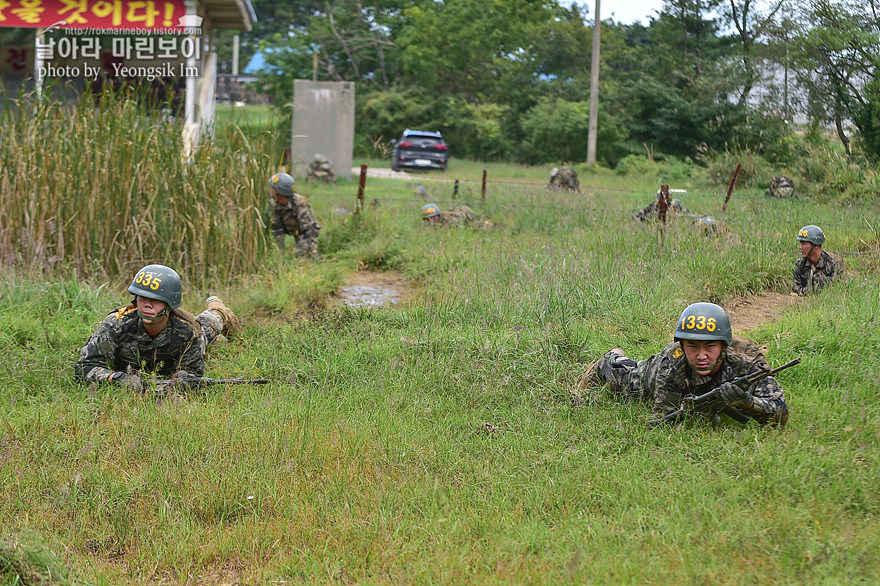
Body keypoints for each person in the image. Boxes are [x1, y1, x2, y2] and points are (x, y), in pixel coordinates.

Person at [576, 302, 789, 426]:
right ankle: (613, 357)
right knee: (622, 378)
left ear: (724, 346)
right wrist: (699, 412)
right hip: (648, 377)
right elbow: (663, 419)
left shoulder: (748, 360)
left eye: (710, 347)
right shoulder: (672, 363)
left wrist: (748, 403)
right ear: (682, 344)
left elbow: (780, 412)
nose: (701, 355)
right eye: (692, 347)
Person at [74, 264, 240, 392]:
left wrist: (180, 380)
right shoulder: (115, 324)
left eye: (155, 300)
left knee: (209, 324)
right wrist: (116, 378)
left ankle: (219, 310)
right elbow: (85, 367)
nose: (147, 305)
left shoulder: (187, 330)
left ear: (170, 304)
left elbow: (194, 373)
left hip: (197, 331)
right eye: (142, 298)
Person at [269, 172, 321, 257]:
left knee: (302, 254)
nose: (270, 190)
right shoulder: (274, 203)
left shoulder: (300, 204)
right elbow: (277, 230)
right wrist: (279, 254)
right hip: (289, 227)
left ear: (280, 191)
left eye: (273, 188)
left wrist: (311, 249)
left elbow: (309, 229)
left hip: (304, 231)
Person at [793, 225, 841, 295]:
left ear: (816, 246)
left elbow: (838, 288)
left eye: (804, 244)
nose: (800, 247)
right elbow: (796, 289)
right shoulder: (800, 264)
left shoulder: (833, 263)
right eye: (800, 244)